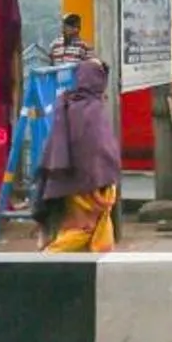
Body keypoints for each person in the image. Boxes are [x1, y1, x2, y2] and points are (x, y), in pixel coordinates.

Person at [38, 57, 122, 251]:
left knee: (87, 226)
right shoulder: (91, 109)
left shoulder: (68, 104)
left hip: (70, 180)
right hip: (90, 182)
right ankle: (49, 258)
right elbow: (98, 149)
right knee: (85, 227)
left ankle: (96, 266)